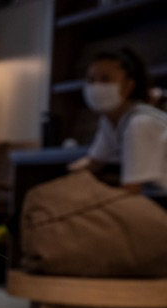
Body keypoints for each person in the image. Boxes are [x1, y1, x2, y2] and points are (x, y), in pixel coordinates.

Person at [68, 48, 167, 203]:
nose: (96, 86)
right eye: (91, 80)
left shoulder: (139, 124)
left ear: (128, 86)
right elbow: (94, 161)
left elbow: (132, 191)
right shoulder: (110, 121)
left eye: (105, 79)